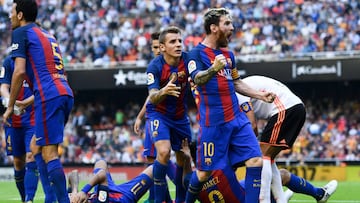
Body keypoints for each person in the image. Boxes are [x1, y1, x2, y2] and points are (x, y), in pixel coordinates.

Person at [185, 8, 275, 203]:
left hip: (237, 119)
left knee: (255, 161)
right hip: (213, 124)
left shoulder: (229, 55)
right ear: (213, 28)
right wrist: (212, 69)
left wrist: (260, 95)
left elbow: (236, 83)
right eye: (227, 24)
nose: (232, 28)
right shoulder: (195, 54)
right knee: (203, 174)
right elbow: (197, 79)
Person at [3, 0, 74, 202]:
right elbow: (54, 72)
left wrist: (10, 107)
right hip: (63, 92)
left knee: (49, 153)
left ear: (20, 15)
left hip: (49, 96)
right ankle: (50, 199)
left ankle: (62, 201)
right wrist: (28, 102)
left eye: (12, 11)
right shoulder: (48, 34)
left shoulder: (21, 32)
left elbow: (19, 72)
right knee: (35, 149)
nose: (9, 16)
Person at [236, 75, 337, 203]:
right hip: (293, 107)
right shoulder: (241, 87)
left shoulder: (237, 92)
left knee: (262, 157)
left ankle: (264, 200)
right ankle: (282, 200)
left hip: (285, 109)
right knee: (269, 160)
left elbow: (253, 126)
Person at [1, 55, 57, 203]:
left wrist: (25, 103)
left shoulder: (37, 61)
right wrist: (10, 102)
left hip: (33, 119)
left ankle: (29, 199)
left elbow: (44, 89)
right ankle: (23, 197)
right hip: (13, 121)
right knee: (18, 162)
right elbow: (3, 86)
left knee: (31, 156)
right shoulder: (8, 62)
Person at [146, 26, 191, 203]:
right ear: (162, 47)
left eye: (180, 40)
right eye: (173, 41)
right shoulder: (154, 67)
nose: (178, 44)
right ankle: (158, 200)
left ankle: (179, 200)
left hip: (180, 117)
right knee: (163, 152)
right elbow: (153, 97)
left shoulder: (188, 60)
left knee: (183, 157)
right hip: (159, 115)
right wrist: (165, 90)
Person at [134, 31, 176, 203]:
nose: (157, 50)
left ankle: (159, 198)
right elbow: (151, 97)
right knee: (154, 159)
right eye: (154, 47)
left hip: (161, 117)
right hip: (155, 115)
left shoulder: (168, 66)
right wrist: (139, 116)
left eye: (159, 46)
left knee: (159, 158)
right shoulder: (155, 66)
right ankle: (161, 198)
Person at [69, 159, 154, 203]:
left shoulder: (74, 198)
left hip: (105, 190)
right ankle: (156, 199)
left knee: (100, 162)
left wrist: (74, 191)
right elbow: (102, 174)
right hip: (123, 197)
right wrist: (84, 191)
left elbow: (73, 174)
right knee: (154, 169)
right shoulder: (101, 201)